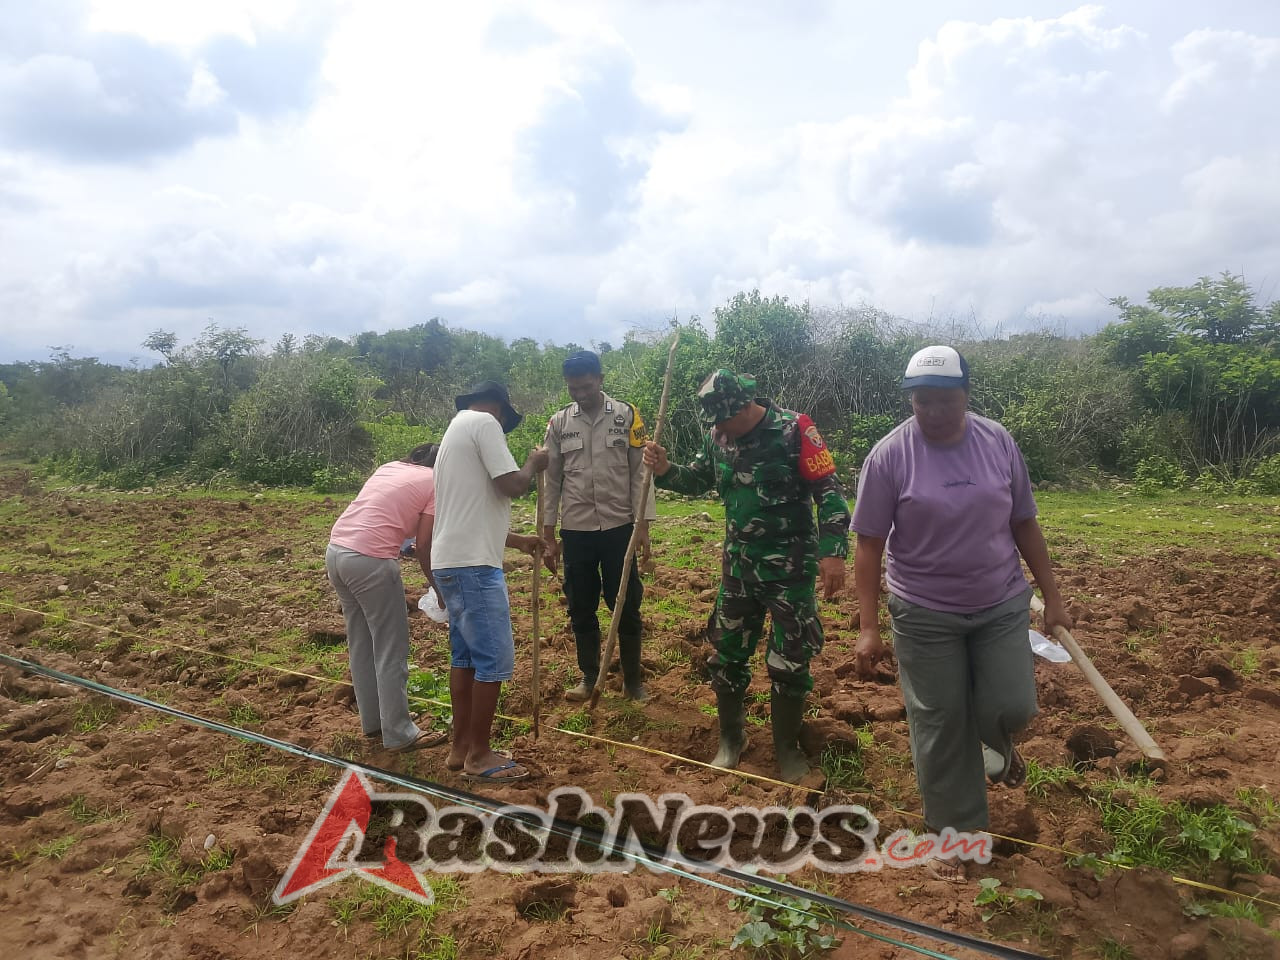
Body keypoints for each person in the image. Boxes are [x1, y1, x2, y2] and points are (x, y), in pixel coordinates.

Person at [851, 345, 1072, 882]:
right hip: (924, 611)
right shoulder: (889, 456)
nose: (931, 411)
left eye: (944, 400)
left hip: (999, 601)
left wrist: (1054, 595)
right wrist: (868, 627)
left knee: (1013, 704)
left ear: (966, 396)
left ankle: (997, 747)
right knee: (940, 723)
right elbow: (868, 544)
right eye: (920, 401)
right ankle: (958, 841)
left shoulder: (996, 441)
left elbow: (1023, 522)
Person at [643, 370, 849, 783]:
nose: (719, 428)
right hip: (738, 569)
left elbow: (829, 492)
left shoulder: (796, 430)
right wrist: (667, 469)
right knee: (727, 655)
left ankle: (786, 749)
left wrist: (833, 553)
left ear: (743, 406)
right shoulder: (718, 437)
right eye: (714, 422)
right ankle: (730, 741)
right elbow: (697, 480)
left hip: (790, 571)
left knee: (790, 660)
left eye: (724, 419)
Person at [431, 380, 548, 783]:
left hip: (451, 561)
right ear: (499, 408)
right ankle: (480, 755)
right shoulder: (484, 423)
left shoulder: (456, 429)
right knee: (495, 658)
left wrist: (514, 541)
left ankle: (460, 746)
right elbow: (511, 484)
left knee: (465, 658)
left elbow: (473, 507)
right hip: (474, 567)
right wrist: (535, 463)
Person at [542, 350, 657, 702]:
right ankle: (589, 676)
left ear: (600, 379)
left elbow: (642, 473)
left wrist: (643, 526)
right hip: (576, 529)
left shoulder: (627, 416)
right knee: (580, 604)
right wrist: (548, 532)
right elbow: (552, 480)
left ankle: (633, 681)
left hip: (620, 526)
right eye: (573, 388)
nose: (580, 394)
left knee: (624, 601)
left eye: (586, 386)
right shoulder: (558, 423)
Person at [326, 443, 447, 752]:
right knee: (391, 647)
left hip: (337, 552)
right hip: (371, 561)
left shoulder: (390, 467)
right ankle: (399, 732)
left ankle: (375, 722)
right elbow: (423, 546)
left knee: (361, 640)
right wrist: (439, 589)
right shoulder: (435, 482)